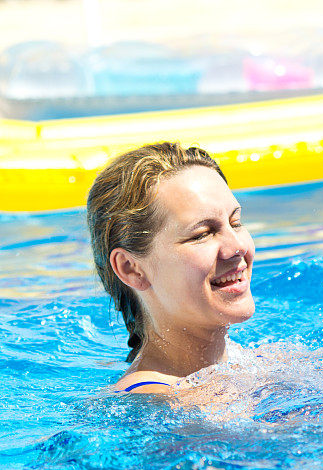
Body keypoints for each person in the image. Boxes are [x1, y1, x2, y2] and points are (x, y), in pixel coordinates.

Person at [87, 142, 256, 394]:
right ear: (131, 269)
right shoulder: (160, 400)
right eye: (202, 234)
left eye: (236, 222)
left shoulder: (245, 361)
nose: (236, 247)